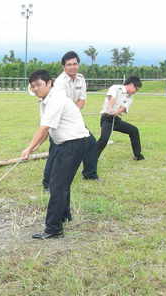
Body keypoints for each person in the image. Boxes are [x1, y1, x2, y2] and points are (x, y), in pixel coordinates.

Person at [21, 70, 97, 239]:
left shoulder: (56, 99)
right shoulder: (45, 101)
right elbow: (47, 130)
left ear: (49, 83)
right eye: (32, 86)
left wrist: (28, 148)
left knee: (57, 185)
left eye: (39, 85)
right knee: (60, 182)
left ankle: (53, 229)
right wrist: (33, 148)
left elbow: (44, 128)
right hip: (62, 143)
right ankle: (64, 215)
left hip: (74, 143)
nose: (35, 89)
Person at [42, 50, 99, 190]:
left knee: (90, 142)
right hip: (59, 119)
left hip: (74, 118)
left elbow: (82, 100)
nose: (73, 67)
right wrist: (71, 114)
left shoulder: (81, 79)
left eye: (75, 64)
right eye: (69, 64)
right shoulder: (60, 83)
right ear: (64, 67)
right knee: (55, 149)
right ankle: (47, 183)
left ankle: (89, 173)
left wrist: (74, 114)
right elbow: (61, 105)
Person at [96, 76, 144, 160]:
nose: (136, 92)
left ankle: (138, 155)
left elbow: (124, 108)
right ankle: (91, 157)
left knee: (134, 130)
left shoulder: (130, 97)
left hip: (116, 120)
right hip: (106, 119)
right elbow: (112, 98)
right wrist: (110, 109)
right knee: (103, 140)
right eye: (136, 89)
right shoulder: (116, 88)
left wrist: (116, 112)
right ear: (131, 85)